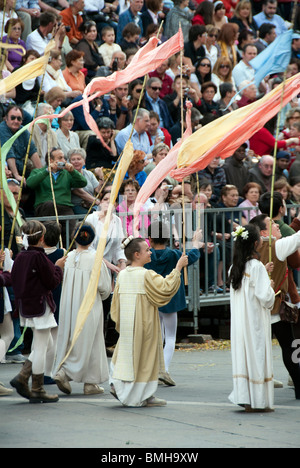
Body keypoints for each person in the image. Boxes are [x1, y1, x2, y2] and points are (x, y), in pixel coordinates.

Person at [109, 236, 188, 407]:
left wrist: (122, 323)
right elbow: (166, 288)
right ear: (137, 254)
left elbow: (115, 306)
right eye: (147, 250)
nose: (150, 251)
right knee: (145, 359)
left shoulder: (122, 275)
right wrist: (178, 267)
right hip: (145, 325)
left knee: (125, 357)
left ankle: (121, 386)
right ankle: (144, 394)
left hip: (128, 326)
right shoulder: (146, 275)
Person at [10, 220, 65, 403]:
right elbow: (52, 282)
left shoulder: (20, 256)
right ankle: (37, 388)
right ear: (42, 238)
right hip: (40, 306)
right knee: (41, 347)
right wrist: (58, 267)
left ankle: (23, 376)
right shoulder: (38, 257)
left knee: (46, 344)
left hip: (27, 306)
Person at [53, 223, 111, 396]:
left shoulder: (68, 257)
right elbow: (105, 288)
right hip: (89, 305)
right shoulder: (96, 258)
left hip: (69, 305)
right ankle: (65, 372)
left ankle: (91, 382)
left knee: (76, 338)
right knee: (89, 340)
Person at [250, 213, 300, 400]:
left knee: (258, 347)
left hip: (254, 307)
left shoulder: (249, 249)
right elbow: (297, 239)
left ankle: (257, 384)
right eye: (272, 224)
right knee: (288, 346)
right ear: (263, 231)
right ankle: (298, 386)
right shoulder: (275, 246)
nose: (278, 226)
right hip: (274, 306)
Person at [145, 221, 201, 386]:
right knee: (170, 336)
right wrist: (195, 243)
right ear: (168, 237)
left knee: (157, 335)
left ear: (150, 238)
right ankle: (165, 369)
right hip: (170, 298)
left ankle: (155, 368)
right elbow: (192, 256)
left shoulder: (147, 255)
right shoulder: (175, 254)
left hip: (153, 297)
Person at [228, 223, 275, 412]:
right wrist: (270, 285)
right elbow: (265, 298)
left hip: (240, 322)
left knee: (243, 356)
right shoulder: (256, 267)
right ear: (256, 243)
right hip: (254, 321)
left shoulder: (235, 267)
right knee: (256, 355)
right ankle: (258, 400)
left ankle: (245, 398)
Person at [26, 147, 87, 243]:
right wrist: (47, 171)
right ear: (51, 160)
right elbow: (30, 183)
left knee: (72, 230)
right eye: (60, 158)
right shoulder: (38, 171)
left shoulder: (67, 173)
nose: (63, 161)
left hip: (64, 207)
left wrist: (73, 171)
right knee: (50, 206)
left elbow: (83, 183)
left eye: (64, 158)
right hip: (45, 207)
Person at [42, 221, 65, 385]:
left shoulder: (36, 254)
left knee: (42, 337)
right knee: (53, 337)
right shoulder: (62, 253)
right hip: (56, 297)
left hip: (41, 297)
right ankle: (47, 372)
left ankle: (40, 370)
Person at [86, 188, 127, 275]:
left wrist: (122, 262)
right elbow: (88, 247)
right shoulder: (91, 219)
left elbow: (119, 246)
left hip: (108, 270)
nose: (108, 202)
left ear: (115, 204)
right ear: (100, 202)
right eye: (105, 199)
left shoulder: (117, 221)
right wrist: (108, 265)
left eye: (111, 200)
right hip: (91, 266)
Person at [0, 105, 42, 182]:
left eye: (19, 118)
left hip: (21, 169)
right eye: (13, 118)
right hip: (6, 171)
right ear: (6, 118)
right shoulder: (2, 129)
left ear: (22, 120)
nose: (16, 121)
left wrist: (42, 173)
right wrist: (16, 175)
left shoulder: (23, 130)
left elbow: (32, 151)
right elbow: (9, 153)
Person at [67, 148, 103, 214]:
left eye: (78, 159)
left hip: (91, 205)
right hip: (77, 206)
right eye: (73, 159)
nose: (76, 162)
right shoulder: (68, 175)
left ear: (84, 161)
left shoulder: (89, 173)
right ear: (69, 162)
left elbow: (98, 191)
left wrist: (101, 177)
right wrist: (96, 202)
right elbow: (80, 192)